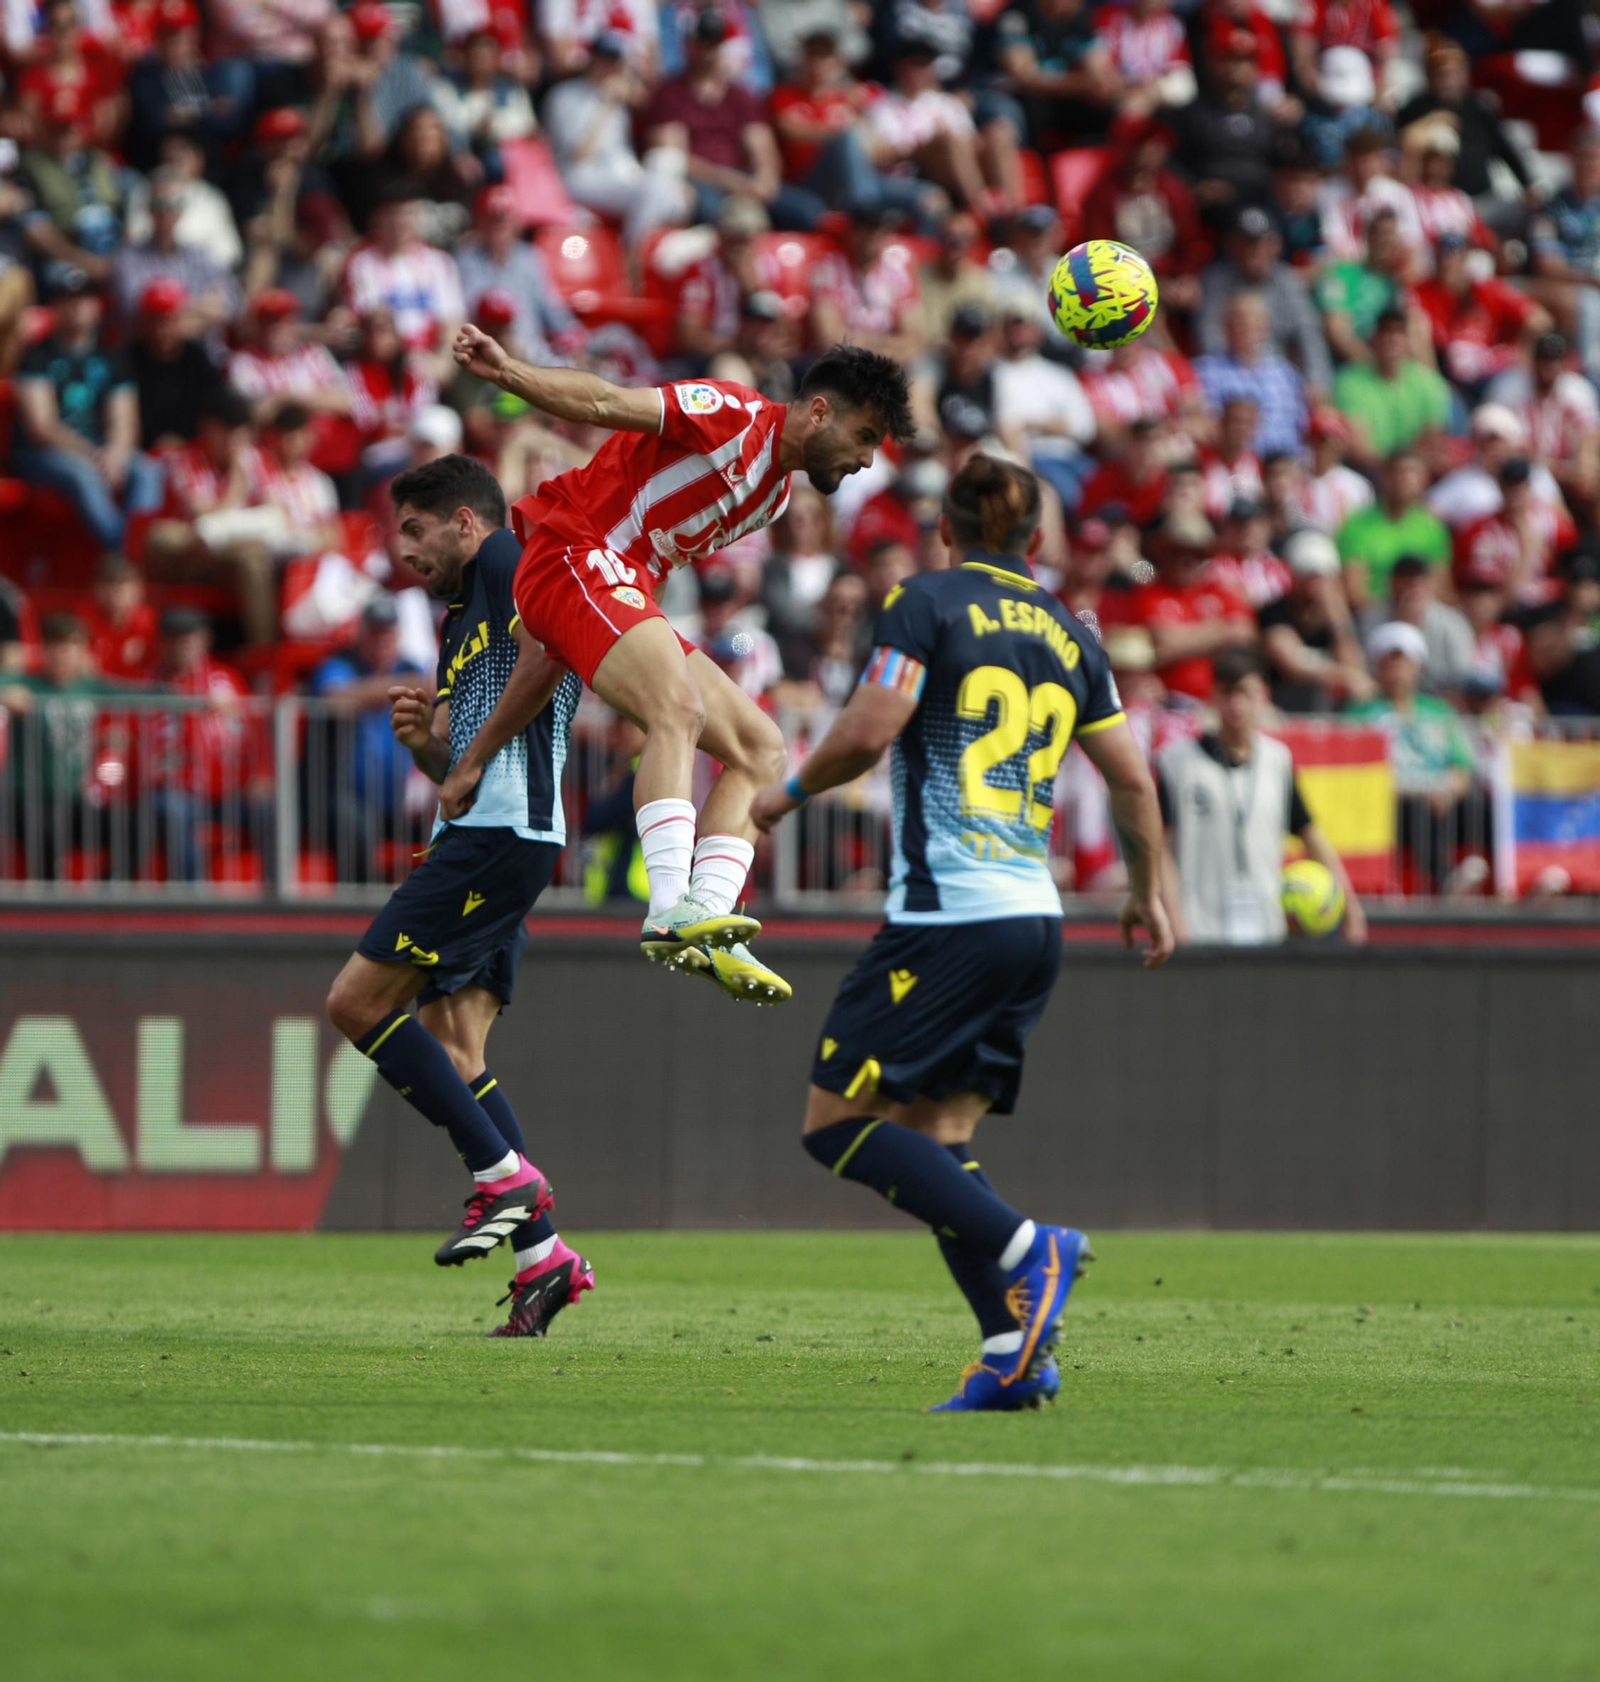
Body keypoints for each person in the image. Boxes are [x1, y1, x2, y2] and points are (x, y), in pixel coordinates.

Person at [748, 453, 1173, 1413]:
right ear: (1033, 541)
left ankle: (1034, 1250)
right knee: (934, 1134)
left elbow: (869, 729)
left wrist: (782, 796)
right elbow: (1135, 783)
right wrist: (1148, 892)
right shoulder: (1072, 632)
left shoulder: (924, 603)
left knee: (836, 1125)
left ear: (947, 529)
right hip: (1035, 919)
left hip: (950, 916)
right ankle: (1012, 1353)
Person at [449, 324, 913, 1000]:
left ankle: (708, 914)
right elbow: (607, 402)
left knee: (762, 747)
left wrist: (474, 756)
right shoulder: (731, 414)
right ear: (819, 411)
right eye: (866, 436)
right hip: (573, 552)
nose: (868, 460)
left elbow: (560, 648)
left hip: (614, 587)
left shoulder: (774, 498)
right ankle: (668, 906)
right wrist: (509, 373)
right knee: (679, 707)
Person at [324, 453, 595, 1337]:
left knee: (357, 1003)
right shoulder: (459, 618)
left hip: (501, 836)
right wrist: (428, 747)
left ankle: (502, 1176)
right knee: (453, 1043)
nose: (403, 550)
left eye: (414, 528)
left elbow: (554, 651)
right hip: (490, 833)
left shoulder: (513, 562)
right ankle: (544, 1258)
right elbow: (457, 763)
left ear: (466, 522)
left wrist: (467, 759)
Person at [1159, 646, 1365, 944]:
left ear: (1263, 696)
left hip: (1266, 929)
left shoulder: (1277, 761)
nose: (1236, 704)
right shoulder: (1175, 762)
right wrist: (1176, 921)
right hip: (1200, 927)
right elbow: (1160, 849)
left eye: (1245, 693)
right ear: (1213, 696)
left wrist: (1352, 907)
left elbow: (1310, 832)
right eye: (1227, 693)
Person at [12, 269, 166, 550]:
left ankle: (135, 550)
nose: (77, 306)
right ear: (56, 305)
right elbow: (40, 427)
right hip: (42, 454)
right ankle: (128, 556)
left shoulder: (112, 356)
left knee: (148, 470)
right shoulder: (36, 355)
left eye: (85, 298)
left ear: (97, 306)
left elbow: (125, 419)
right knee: (82, 474)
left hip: (98, 449)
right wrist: (94, 456)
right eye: (69, 298)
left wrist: (116, 453)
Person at [1348, 619, 1484, 892]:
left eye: (1404, 661)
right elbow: (1355, 773)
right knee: (1414, 811)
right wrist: (1415, 791)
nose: (1398, 670)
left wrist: (1445, 789)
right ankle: (1445, 878)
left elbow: (1462, 768)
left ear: (1418, 666)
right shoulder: (1359, 714)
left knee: (1480, 806)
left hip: (1440, 800)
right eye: (1390, 661)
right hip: (1390, 801)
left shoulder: (1440, 712)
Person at [1259, 528, 1373, 712]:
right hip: (1285, 701)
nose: (1316, 583)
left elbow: (1354, 664)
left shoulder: (1339, 614)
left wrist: (1337, 618)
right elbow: (1292, 664)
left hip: (1331, 705)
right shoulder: (1275, 611)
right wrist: (1347, 677)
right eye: (1309, 575)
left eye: (1321, 575)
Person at [1331, 305, 1451, 467]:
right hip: (1371, 470)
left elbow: (1433, 439)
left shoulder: (1428, 382)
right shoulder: (1350, 381)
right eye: (1386, 331)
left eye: (1400, 332)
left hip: (1415, 470)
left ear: (1409, 340)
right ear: (1374, 338)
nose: (1392, 338)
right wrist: (1393, 472)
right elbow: (1359, 448)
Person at [1336, 447, 1450, 612]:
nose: (1404, 478)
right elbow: (1354, 593)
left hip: (1422, 611)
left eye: (1412, 472)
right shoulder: (1357, 526)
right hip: (1377, 613)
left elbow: (1441, 588)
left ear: (1423, 479)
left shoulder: (1433, 528)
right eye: (1397, 471)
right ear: (1383, 477)